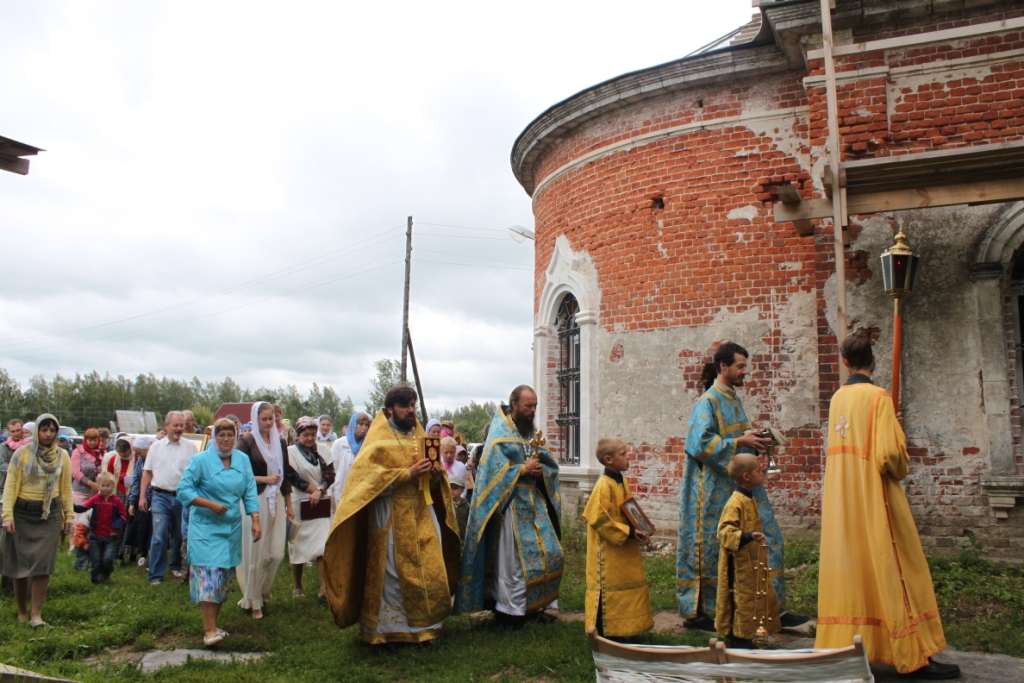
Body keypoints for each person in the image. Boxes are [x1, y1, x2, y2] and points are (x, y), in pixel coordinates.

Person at [816, 335, 960, 679]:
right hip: (876, 495)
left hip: (843, 500)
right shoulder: (879, 398)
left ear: (845, 362)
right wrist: (900, 451)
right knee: (899, 566)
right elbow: (891, 458)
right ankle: (913, 655)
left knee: (855, 572)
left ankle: (852, 650)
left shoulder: (837, 399)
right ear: (872, 359)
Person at [676, 342, 807, 632]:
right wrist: (740, 442)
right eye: (740, 366)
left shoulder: (733, 399)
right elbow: (699, 444)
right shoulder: (707, 402)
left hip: (743, 484)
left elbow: (735, 436)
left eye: (745, 366)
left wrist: (755, 438)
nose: (745, 372)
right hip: (712, 492)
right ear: (723, 367)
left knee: (769, 538)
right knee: (714, 547)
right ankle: (704, 612)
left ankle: (773, 608)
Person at [323, 386, 460, 651]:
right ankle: (388, 632)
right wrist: (406, 474)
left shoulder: (421, 437)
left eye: (413, 405)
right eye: (404, 406)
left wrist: (433, 477)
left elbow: (438, 476)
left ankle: (423, 627)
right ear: (389, 410)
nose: (411, 411)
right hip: (389, 517)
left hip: (421, 513)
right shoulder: (376, 440)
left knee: (425, 569)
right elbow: (366, 481)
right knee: (391, 576)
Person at [454, 385, 562, 628]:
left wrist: (541, 471)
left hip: (534, 503)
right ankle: (509, 612)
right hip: (511, 508)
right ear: (513, 404)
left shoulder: (531, 433)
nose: (532, 410)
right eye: (528, 406)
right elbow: (489, 472)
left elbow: (550, 466)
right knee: (514, 564)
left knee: (548, 555)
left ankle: (535, 606)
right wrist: (522, 469)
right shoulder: (499, 434)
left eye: (535, 405)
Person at [177, 418, 261, 646]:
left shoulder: (242, 460)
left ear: (235, 436)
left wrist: (255, 518)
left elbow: (250, 491)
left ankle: (214, 625)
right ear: (214, 437)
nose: (226, 440)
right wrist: (209, 504)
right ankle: (209, 630)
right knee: (209, 578)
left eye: (230, 435)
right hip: (206, 529)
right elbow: (183, 490)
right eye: (221, 435)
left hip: (231, 528)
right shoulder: (200, 461)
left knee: (223, 577)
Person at [0, 414, 74, 627]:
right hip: (22, 513)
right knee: (20, 565)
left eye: (52, 430)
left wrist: (68, 517)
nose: (48, 434)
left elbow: (66, 488)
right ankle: (22, 611)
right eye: (44, 430)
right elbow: (11, 484)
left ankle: (36, 615)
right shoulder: (22, 454)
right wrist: (8, 515)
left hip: (48, 514)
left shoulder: (62, 456)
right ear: (36, 432)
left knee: (43, 564)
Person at [583, 437, 653, 639]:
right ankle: (606, 631)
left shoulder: (621, 481)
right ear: (609, 459)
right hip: (607, 552)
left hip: (624, 549)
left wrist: (641, 528)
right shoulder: (603, 485)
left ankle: (626, 629)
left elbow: (629, 511)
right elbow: (596, 517)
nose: (628, 457)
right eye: (623, 454)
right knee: (608, 590)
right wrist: (629, 532)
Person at [236, 401, 295, 620]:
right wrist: (265, 479)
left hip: (276, 499)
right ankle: (253, 600)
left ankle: (262, 591)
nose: (269, 423)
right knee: (256, 552)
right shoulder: (246, 442)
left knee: (277, 553)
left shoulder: (280, 442)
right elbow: (236, 474)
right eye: (264, 419)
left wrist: (289, 504)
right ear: (255, 419)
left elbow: (285, 475)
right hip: (255, 500)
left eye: (272, 419)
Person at [715, 453, 777, 648]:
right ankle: (738, 638)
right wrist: (749, 536)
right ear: (747, 477)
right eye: (759, 470)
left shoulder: (748, 499)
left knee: (754, 598)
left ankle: (751, 634)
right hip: (739, 566)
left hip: (752, 564)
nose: (763, 473)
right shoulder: (735, 502)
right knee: (741, 600)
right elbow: (725, 532)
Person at [139, 411, 199, 584]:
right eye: (176, 425)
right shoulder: (155, 448)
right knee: (159, 534)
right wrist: (142, 496)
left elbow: (197, 473)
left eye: (181, 425)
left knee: (181, 535)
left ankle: (176, 566)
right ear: (166, 426)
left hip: (182, 497)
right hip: (160, 496)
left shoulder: (191, 447)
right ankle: (156, 575)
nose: (179, 428)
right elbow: (147, 473)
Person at [286, 417, 335, 601]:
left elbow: (330, 473)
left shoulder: (322, 449)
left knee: (322, 544)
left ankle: (323, 588)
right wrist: (313, 490)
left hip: (320, 503)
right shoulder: (290, 452)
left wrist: (320, 490)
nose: (309, 438)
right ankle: (297, 585)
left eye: (313, 435)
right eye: (305, 435)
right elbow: (292, 476)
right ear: (298, 435)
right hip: (299, 501)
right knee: (296, 544)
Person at [74, 471, 127, 585]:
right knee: (96, 561)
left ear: (113, 486)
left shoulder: (116, 501)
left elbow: (123, 516)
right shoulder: (96, 499)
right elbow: (84, 507)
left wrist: (114, 528)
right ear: (99, 485)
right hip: (95, 536)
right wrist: (72, 506)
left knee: (107, 559)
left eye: (108, 486)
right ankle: (97, 582)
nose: (105, 488)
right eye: (103, 486)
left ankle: (107, 574)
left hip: (110, 537)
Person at [102, 435, 138, 562]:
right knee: (119, 522)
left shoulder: (137, 458)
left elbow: (141, 476)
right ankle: (118, 553)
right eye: (120, 452)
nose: (122, 454)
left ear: (130, 449)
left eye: (125, 451)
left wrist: (129, 480)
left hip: (133, 494)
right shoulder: (113, 460)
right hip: (118, 494)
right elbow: (109, 477)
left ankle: (132, 553)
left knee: (131, 524)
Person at [329, 412, 370, 514]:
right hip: (340, 490)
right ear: (353, 425)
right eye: (360, 424)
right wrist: (329, 492)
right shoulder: (340, 443)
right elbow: (331, 469)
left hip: (357, 493)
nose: (363, 428)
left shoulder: (367, 446)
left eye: (366, 425)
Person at [125, 436, 154, 566]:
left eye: (139, 452)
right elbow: (136, 481)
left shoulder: (158, 460)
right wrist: (133, 501)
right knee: (141, 527)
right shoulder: (140, 462)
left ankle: (153, 555)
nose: (138, 455)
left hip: (157, 498)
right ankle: (143, 552)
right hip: (144, 498)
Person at [0, 419, 29, 515]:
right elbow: (2, 465)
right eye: (13, 431)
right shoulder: (4, 447)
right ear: (9, 432)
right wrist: (20, 468)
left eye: (18, 430)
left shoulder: (29, 445)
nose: (16, 433)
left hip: (25, 489)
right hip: (6, 487)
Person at [449, 475, 469, 539]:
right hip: (448, 539)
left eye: (455, 488)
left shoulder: (467, 506)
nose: (452, 490)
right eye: (450, 487)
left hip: (462, 539)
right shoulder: (445, 505)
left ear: (462, 491)